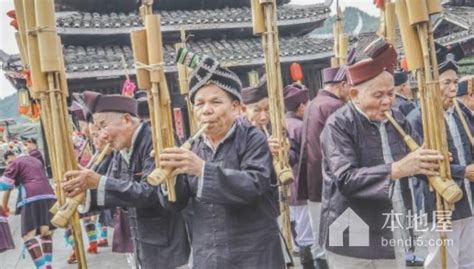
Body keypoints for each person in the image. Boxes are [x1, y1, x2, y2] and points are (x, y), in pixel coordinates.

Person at [319, 40, 442, 269]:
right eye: (378, 95)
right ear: (355, 94)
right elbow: (346, 179)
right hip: (350, 228)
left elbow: (418, 159)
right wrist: (397, 169)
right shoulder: (338, 124)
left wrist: (442, 167)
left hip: (391, 223)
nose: (386, 101)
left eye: (391, 94)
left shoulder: (398, 118)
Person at [158, 52, 285, 268]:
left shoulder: (253, 138)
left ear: (236, 108)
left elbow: (254, 184)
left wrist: (202, 170)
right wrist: (169, 178)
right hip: (209, 254)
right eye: (199, 104)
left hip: (254, 254)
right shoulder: (192, 146)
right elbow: (176, 203)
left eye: (216, 102)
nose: (206, 110)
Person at [61, 92, 190, 269]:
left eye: (103, 126)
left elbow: (149, 192)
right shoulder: (121, 149)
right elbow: (118, 190)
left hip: (165, 245)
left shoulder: (156, 140)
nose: (101, 135)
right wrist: (82, 191)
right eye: (98, 129)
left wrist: (98, 181)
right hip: (139, 243)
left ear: (127, 119)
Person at [407, 44, 474, 269]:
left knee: (468, 259)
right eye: (446, 83)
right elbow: (419, 166)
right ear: (432, 85)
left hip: (468, 199)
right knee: (442, 261)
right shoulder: (417, 118)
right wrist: (462, 171)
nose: (453, 88)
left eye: (455, 82)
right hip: (439, 204)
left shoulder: (461, 112)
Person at [296, 64, 351, 269]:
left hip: (313, 182)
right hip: (331, 184)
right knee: (343, 242)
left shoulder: (313, 104)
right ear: (342, 85)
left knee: (322, 241)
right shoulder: (335, 107)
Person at [1, 150, 56, 269]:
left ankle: (42, 267)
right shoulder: (35, 161)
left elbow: (5, 185)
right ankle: (48, 265)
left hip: (32, 196)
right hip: (49, 194)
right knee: (45, 232)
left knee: (28, 235)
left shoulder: (16, 163)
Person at [281, 83, 314, 269]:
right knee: (306, 235)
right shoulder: (300, 127)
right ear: (301, 106)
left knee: (298, 231)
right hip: (302, 187)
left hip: (289, 189)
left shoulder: (283, 123)